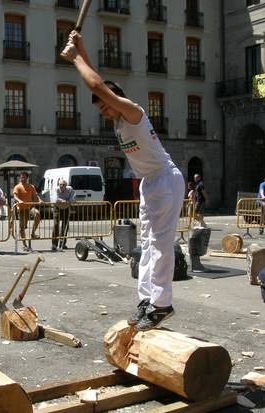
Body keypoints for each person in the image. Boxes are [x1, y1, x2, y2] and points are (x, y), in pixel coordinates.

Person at [62, 31, 185, 331]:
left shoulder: (133, 113)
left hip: (165, 180)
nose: (105, 113)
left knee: (160, 244)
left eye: (106, 106)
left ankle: (162, 304)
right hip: (148, 183)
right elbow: (97, 83)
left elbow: (97, 84)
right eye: (101, 110)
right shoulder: (118, 119)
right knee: (146, 244)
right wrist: (81, 47)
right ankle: (147, 300)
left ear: (117, 99)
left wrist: (75, 58)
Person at [13, 172, 42, 252]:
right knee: (22, 228)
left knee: (37, 214)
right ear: (20, 178)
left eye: (24, 177)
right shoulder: (18, 187)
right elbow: (15, 196)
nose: (23, 179)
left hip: (30, 207)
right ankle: (24, 244)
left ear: (27, 178)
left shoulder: (31, 186)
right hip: (22, 209)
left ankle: (33, 233)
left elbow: (36, 195)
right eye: (21, 177)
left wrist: (39, 200)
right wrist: (19, 201)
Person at [52, 179, 75, 251]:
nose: (61, 186)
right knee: (56, 224)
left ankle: (62, 243)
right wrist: (62, 200)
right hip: (57, 207)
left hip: (66, 208)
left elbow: (73, 198)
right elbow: (55, 199)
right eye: (60, 185)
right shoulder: (56, 189)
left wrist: (68, 201)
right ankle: (54, 244)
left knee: (65, 226)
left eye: (63, 185)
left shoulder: (70, 189)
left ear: (66, 185)